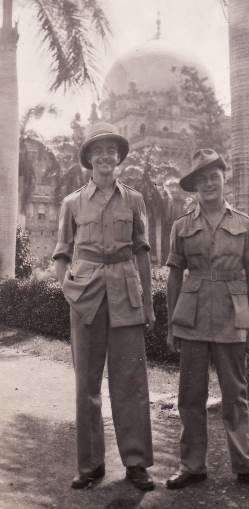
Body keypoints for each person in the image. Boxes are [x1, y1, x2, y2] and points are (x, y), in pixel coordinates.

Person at [165, 148, 249, 492]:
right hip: (192, 315)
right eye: (202, 179)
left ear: (223, 179)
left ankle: (247, 466)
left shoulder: (244, 224)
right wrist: (174, 324)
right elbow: (174, 277)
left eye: (214, 177)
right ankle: (192, 465)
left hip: (234, 315)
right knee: (190, 394)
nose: (209, 184)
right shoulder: (181, 226)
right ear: (195, 186)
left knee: (236, 394)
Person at [53, 121, 155, 491]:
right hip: (86, 299)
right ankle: (90, 465)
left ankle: (137, 463)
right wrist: (69, 290)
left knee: (131, 382)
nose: (105, 156)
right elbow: (62, 253)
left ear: (118, 158)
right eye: (98, 151)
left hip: (126, 294)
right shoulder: (72, 203)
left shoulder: (135, 200)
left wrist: (148, 302)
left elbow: (142, 254)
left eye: (111, 150)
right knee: (87, 385)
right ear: (89, 159)